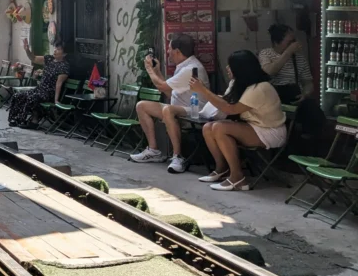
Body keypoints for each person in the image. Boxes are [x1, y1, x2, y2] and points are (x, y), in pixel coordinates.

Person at [191, 50, 287, 191]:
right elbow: (225, 102)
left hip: (270, 131)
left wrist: (203, 90)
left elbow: (231, 109)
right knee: (208, 128)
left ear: (241, 68)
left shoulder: (260, 88)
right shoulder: (238, 84)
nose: (227, 68)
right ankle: (222, 168)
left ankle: (238, 177)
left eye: (231, 66)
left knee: (219, 127)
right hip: (253, 126)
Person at [130, 33, 209, 173]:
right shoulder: (184, 65)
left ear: (177, 51)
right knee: (142, 106)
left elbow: (162, 87)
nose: (168, 52)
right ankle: (153, 151)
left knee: (168, 110)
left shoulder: (190, 68)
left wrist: (149, 70)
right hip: (180, 107)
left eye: (169, 48)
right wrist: (157, 71)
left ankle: (178, 156)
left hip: (195, 110)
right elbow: (169, 91)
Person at [259, 24, 324, 138]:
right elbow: (270, 71)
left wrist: (305, 93)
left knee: (315, 114)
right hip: (274, 98)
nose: (294, 44)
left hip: (294, 95)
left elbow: (308, 82)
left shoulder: (300, 58)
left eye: (294, 41)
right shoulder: (266, 54)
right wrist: (288, 52)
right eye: (289, 42)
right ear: (276, 42)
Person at [8, 38, 71, 127]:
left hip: (48, 93)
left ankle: (32, 121)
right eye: (55, 48)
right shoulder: (49, 59)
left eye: (58, 49)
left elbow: (59, 84)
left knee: (32, 98)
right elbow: (33, 58)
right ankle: (15, 119)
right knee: (18, 96)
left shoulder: (64, 67)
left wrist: (56, 100)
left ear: (64, 54)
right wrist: (27, 50)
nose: (55, 50)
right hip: (39, 89)